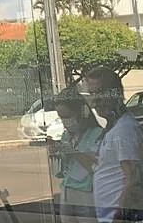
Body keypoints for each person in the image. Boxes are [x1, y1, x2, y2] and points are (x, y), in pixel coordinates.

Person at [82, 67, 143, 223]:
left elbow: (134, 180)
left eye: (100, 93)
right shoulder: (114, 127)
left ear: (116, 93)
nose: (95, 101)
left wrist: (120, 216)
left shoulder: (125, 128)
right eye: (92, 94)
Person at [52, 88, 104, 219]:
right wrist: (55, 155)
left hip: (87, 193)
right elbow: (60, 172)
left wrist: (74, 153)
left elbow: (97, 167)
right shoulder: (66, 136)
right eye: (61, 118)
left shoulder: (97, 134)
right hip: (66, 192)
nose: (65, 122)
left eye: (68, 116)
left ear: (81, 112)